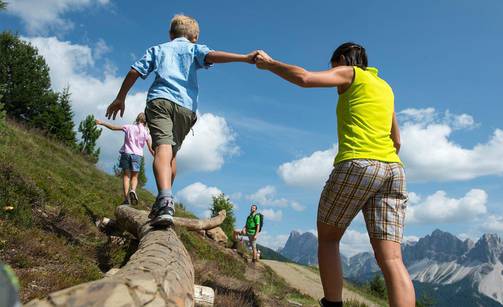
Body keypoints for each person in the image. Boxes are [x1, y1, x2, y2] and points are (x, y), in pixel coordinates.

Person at [255, 44, 415, 307]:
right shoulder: (385, 88)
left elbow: (304, 78)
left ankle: (332, 304)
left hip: (359, 163)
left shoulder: (351, 73)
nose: (332, 71)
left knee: (329, 238)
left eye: (332, 65)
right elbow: (396, 140)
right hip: (394, 170)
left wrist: (270, 64)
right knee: (392, 259)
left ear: (341, 60)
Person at [105, 14, 257, 227]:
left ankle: (165, 200)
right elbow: (212, 55)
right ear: (194, 37)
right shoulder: (195, 49)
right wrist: (244, 57)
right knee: (171, 154)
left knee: (163, 149)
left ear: (170, 34)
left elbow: (135, 71)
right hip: (186, 109)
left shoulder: (158, 49)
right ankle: (165, 200)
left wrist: (121, 97)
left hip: (160, 101)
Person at [96, 112, 154, 205]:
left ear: (137, 119)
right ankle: (133, 191)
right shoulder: (146, 133)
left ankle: (126, 199)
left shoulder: (128, 127)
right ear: (146, 121)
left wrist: (102, 123)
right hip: (137, 155)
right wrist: (157, 157)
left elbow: (113, 127)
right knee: (135, 176)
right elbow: (151, 149)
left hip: (126, 153)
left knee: (126, 176)